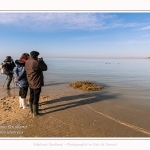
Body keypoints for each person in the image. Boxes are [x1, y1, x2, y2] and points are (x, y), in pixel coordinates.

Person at [25, 51, 47, 117]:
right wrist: (41, 61)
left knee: (31, 95)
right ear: (36, 56)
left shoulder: (27, 61)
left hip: (30, 81)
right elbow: (45, 68)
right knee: (36, 97)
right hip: (36, 82)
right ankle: (35, 113)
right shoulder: (35, 62)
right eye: (37, 56)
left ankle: (32, 110)